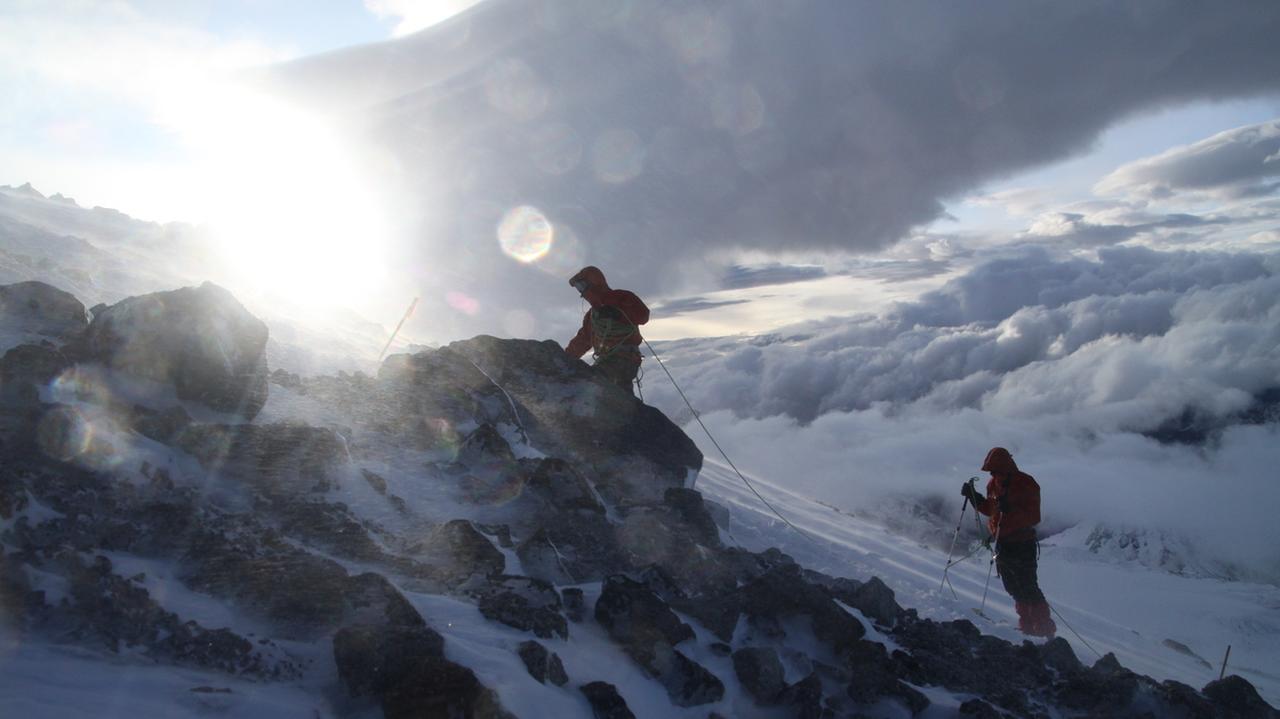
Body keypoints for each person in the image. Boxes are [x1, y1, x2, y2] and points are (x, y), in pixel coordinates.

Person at [961, 447, 1056, 638]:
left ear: (1005, 468)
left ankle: (1044, 629)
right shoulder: (993, 484)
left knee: (1028, 586)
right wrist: (974, 498)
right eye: (991, 472)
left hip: (1022, 543)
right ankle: (1027, 627)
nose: (993, 474)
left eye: (995, 471)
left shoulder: (1026, 483)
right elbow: (992, 510)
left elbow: (1033, 516)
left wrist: (1010, 511)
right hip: (1003, 543)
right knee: (1013, 586)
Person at [564, 266, 649, 394]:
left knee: (593, 386)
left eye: (581, 287)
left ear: (593, 283)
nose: (581, 293)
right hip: (614, 360)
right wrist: (566, 358)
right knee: (621, 394)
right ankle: (632, 411)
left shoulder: (621, 297)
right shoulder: (592, 315)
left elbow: (643, 315)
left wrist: (618, 314)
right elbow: (582, 340)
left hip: (624, 358)